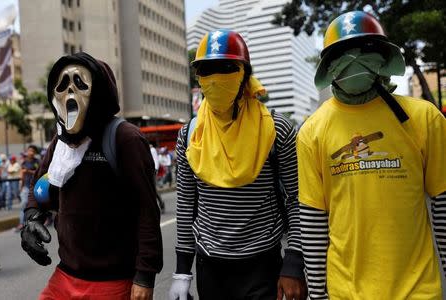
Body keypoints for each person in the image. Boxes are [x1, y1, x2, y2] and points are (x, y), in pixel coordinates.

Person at [297, 11, 446, 299]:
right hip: (346, 291)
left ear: (383, 57)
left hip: (418, 290)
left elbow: (443, 205)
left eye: (365, 49)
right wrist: (317, 294)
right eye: (343, 53)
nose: (354, 58)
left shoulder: (424, 118)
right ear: (329, 66)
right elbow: (313, 219)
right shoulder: (312, 131)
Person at [169, 30, 306, 300]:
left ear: (244, 74)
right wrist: (182, 273)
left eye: (227, 68)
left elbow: (297, 200)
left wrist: (293, 263)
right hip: (210, 268)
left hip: (263, 267)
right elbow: (186, 205)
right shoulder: (189, 135)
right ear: (197, 77)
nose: (216, 78)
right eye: (206, 70)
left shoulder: (276, 129)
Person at [19, 52, 163, 300]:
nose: (70, 93)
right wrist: (31, 219)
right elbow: (39, 183)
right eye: (62, 86)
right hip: (65, 275)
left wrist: (144, 276)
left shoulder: (125, 138)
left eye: (80, 83)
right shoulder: (60, 142)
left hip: (112, 280)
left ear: (100, 93)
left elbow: (147, 211)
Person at [15, 146, 40, 231]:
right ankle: (22, 223)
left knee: (37, 205)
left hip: (35, 187)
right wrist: (21, 187)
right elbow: (22, 175)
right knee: (24, 204)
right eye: (29, 150)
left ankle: (36, 222)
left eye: (32, 151)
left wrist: (28, 171)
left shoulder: (37, 162)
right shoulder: (24, 162)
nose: (31, 152)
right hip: (26, 187)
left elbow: (38, 172)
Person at [150, 141, 165, 212]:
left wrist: (155, 169)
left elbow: (155, 160)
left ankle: (161, 203)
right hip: (146, 171)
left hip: (152, 171)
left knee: (154, 190)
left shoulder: (152, 150)